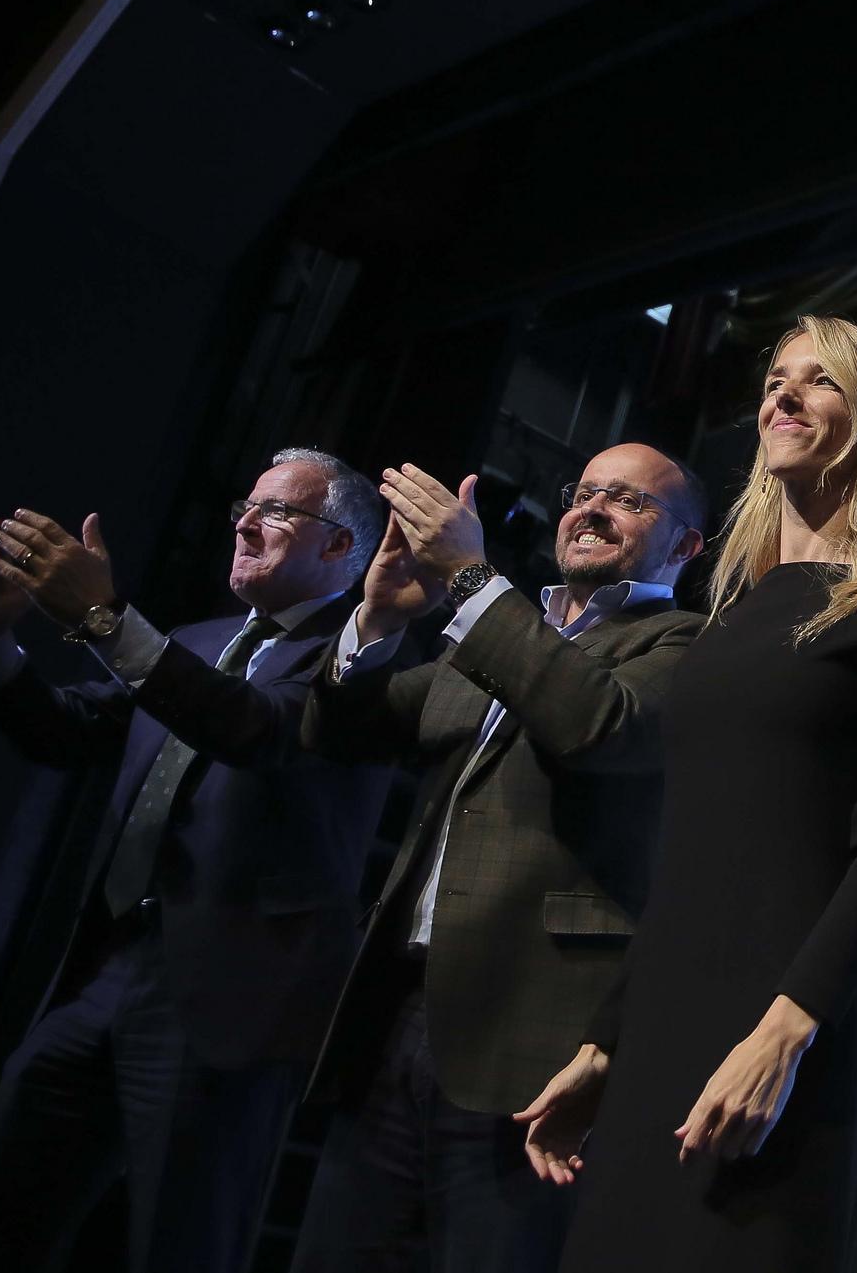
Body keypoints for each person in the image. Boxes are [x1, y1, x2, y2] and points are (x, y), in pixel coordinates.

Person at [517, 316, 857, 1273]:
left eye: (820, 381)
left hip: (785, 1036)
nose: (784, 394)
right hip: (660, 1035)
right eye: (776, 378)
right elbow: (691, 857)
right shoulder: (725, 623)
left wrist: (788, 1028)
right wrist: (607, 1042)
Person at [0, 447, 393, 1273]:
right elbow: (64, 732)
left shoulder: (362, 660)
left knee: (182, 1246)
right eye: (244, 506)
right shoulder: (194, 641)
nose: (245, 523)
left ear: (340, 548)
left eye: (277, 512)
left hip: (226, 1005)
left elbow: (252, 727)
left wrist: (107, 622)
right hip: (104, 975)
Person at [286, 442, 706, 1273]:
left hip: (533, 1035)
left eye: (627, 500)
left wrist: (476, 582)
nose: (591, 509)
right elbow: (338, 728)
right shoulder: (503, 634)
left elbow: (598, 724)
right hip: (400, 1012)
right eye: (583, 492)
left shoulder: (687, 645)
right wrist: (379, 618)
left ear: (687, 546)